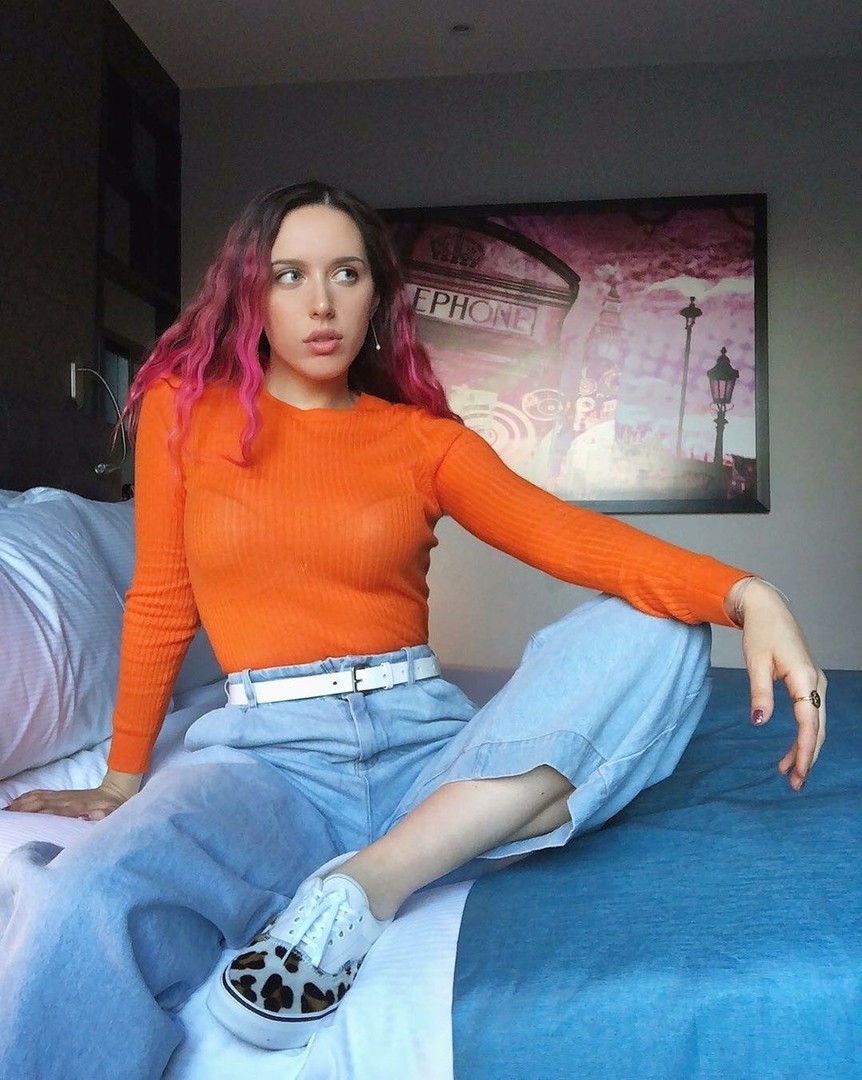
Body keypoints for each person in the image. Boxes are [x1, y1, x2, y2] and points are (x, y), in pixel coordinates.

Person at [0, 181, 825, 1075]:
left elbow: (572, 540)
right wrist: (121, 780)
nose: (321, 303)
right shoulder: (182, 411)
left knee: (666, 631)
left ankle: (369, 883)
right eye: (290, 275)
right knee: (82, 900)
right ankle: (402, 860)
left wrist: (747, 594)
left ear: (378, 295)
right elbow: (162, 599)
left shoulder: (423, 442)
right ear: (250, 291)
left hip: (428, 751)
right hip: (265, 760)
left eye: (346, 273)